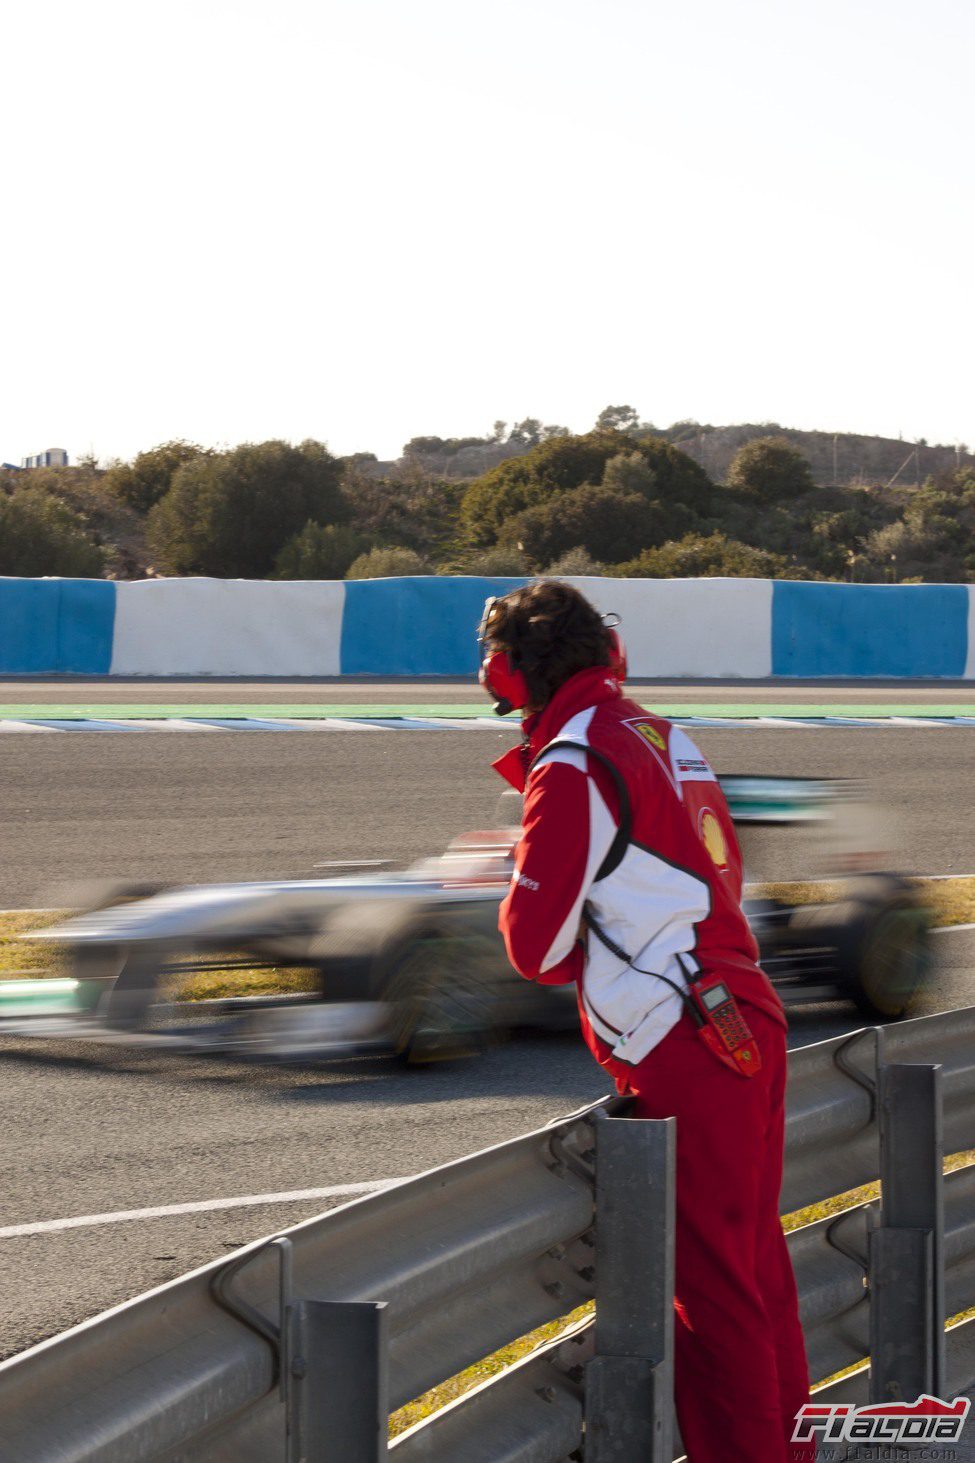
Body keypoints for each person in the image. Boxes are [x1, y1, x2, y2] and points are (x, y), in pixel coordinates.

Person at [479, 579, 815, 1463]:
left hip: (683, 1041)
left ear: (512, 676)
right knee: (753, 1269)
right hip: (742, 1011)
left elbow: (533, 946)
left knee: (709, 1291)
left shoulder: (572, 760)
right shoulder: (663, 734)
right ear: (609, 655)